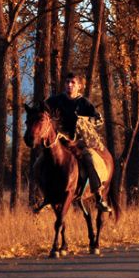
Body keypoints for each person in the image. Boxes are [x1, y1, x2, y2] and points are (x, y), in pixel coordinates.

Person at [45, 72, 111, 212]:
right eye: (67, 82)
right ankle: (46, 195)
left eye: (73, 83)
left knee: (91, 159)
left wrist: (84, 120)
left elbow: (99, 119)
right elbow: (43, 109)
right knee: (40, 162)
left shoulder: (84, 103)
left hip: (79, 142)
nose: (69, 85)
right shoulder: (56, 100)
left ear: (79, 86)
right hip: (60, 141)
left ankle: (98, 196)